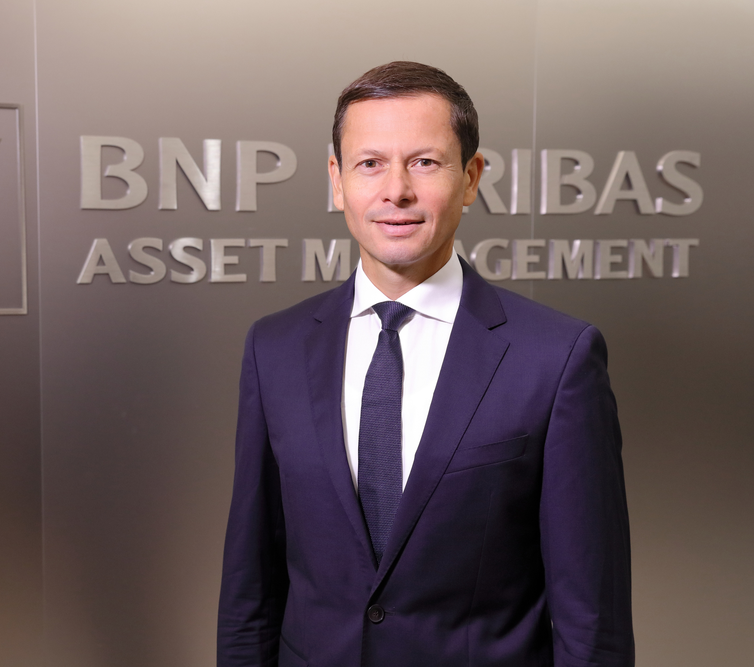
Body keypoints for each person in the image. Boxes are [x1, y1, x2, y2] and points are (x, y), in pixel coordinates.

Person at [217, 61, 634, 667]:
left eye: (424, 162)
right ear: (337, 180)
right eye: (370, 163)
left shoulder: (557, 358)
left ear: (470, 178)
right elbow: (249, 589)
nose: (396, 190)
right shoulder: (273, 348)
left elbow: (592, 620)